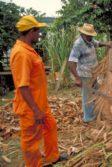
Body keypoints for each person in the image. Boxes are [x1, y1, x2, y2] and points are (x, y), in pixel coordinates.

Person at [10, 15, 66, 167]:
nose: (39, 34)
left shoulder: (28, 50)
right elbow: (22, 86)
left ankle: (52, 157)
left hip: (40, 103)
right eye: (38, 31)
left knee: (50, 126)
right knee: (31, 141)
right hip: (31, 107)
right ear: (31, 31)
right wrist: (35, 110)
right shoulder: (21, 54)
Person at [68, 23, 112, 122]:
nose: (91, 37)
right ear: (83, 34)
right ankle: (88, 118)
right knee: (87, 96)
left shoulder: (90, 40)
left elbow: (98, 43)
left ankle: (94, 113)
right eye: (89, 35)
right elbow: (71, 62)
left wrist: (106, 44)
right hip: (85, 75)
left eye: (91, 35)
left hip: (94, 73)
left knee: (95, 93)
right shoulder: (78, 44)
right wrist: (77, 78)